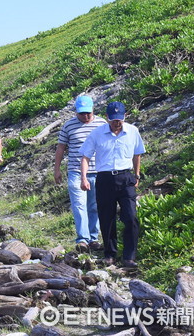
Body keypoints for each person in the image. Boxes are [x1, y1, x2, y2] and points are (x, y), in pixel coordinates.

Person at [79, 101, 146, 268]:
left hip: (125, 178)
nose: (117, 123)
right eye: (113, 120)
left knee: (130, 217)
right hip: (105, 178)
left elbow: (137, 154)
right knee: (107, 218)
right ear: (107, 117)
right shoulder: (97, 133)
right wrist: (84, 178)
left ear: (125, 116)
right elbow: (86, 156)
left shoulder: (132, 131)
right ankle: (110, 254)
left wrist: (137, 175)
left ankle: (129, 256)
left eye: (120, 119)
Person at [54, 95, 107, 253]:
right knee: (79, 205)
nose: (85, 116)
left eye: (88, 113)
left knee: (95, 205)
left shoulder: (102, 124)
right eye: (81, 113)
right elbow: (61, 148)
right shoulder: (68, 126)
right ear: (76, 112)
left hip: (98, 172)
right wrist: (57, 169)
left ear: (93, 110)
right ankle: (82, 239)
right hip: (76, 171)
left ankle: (93, 238)